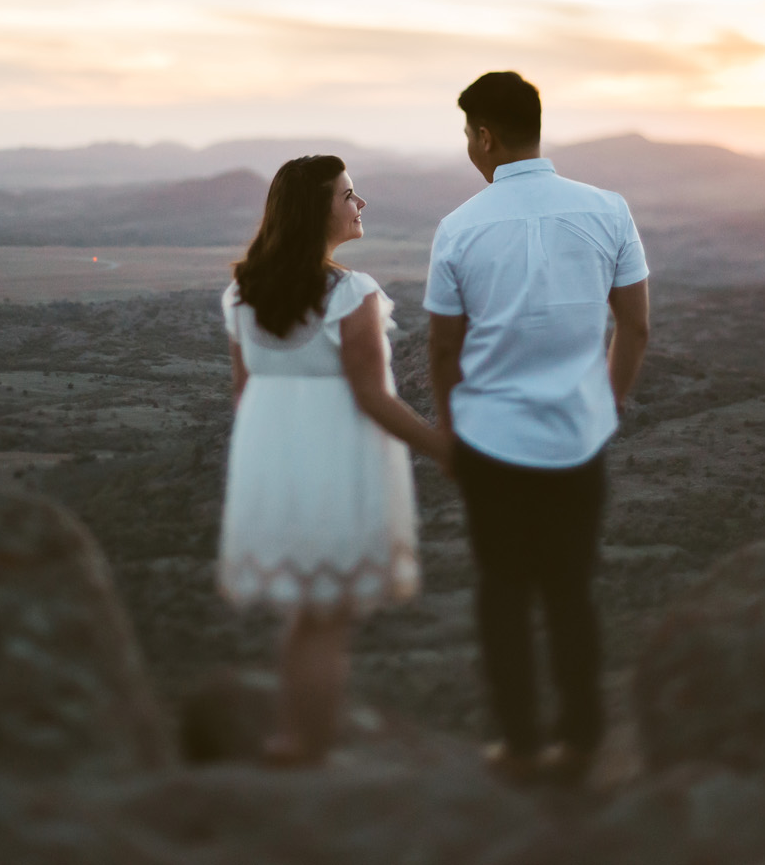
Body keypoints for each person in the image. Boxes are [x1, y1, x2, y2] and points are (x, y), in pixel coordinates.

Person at [425, 71, 651, 785]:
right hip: (577, 439)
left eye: (468, 134)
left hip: (492, 442)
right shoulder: (609, 210)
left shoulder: (459, 228)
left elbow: (440, 348)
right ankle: (581, 743)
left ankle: (520, 746)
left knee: (503, 595)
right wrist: (605, 407)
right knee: (570, 591)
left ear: (485, 136)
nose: (468, 147)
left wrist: (453, 429)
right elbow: (636, 327)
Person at [218, 154, 453, 765]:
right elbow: (372, 397)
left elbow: (246, 393)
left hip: (273, 463)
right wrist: (445, 450)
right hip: (337, 463)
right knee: (326, 618)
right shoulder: (353, 293)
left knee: (307, 614)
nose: (360, 204)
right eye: (349, 194)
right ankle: (309, 750)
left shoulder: (242, 293)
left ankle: (296, 739)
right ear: (317, 212)